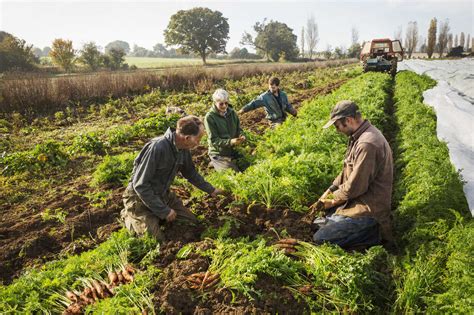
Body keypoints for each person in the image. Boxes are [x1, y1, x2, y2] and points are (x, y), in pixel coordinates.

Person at [121, 115, 224, 241]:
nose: (199, 143)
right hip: (139, 198)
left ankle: (156, 216)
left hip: (162, 194)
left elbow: (190, 173)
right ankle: (129, 216)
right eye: (199, 138)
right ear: (187, 138)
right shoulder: (157, 148)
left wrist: (211, 190)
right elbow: (140, 185)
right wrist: (164, 211)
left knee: (191, 222)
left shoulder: (183, 149)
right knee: (155, 240)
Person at [311, 100, 394, 250]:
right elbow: (346, 171)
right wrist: (330, 190)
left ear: (348, 120)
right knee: (319, 222)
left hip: (369, 211)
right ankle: (340, 222)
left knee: (321, 238)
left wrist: (332, 200)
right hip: (357, 201)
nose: (337, 130)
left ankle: (374, 235)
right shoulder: (357, 137)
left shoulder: (367, 144)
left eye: (337, 126)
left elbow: (355, 187)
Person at [204, 89, 246, 172]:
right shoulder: (210, 117)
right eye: (221, 104)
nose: (224, 106)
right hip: (219, 153)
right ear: (215, 102)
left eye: (226, 103)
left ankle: (221, 163)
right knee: (234, 173)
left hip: (233, 151)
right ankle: (214, 162)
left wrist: (242, 135)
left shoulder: (232, 113)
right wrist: (230, 142)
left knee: (247, 166)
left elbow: (239, 129)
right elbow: (214, 140)